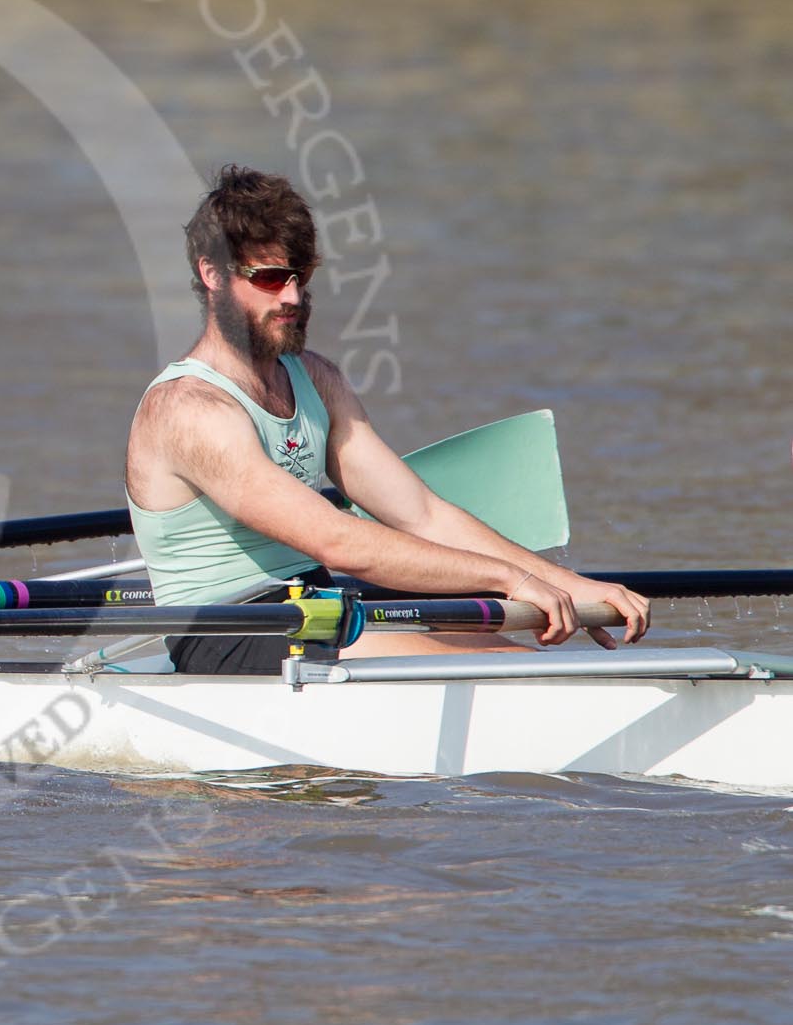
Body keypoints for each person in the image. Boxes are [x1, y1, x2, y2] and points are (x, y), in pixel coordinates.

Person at [124, 167, 651, 674]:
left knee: (530, 663)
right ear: (211, 274)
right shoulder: (189, 409)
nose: (292, 297)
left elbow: (420, 513)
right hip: (226, 632)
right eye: (269, 278)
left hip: (315, 606)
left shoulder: (315, 378)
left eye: (300, 277)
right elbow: (336, 541)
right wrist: (509, 579)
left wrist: (562, 582)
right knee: (510, 670)